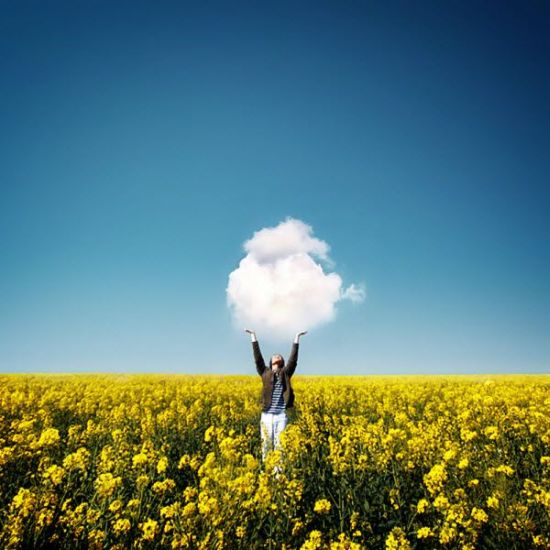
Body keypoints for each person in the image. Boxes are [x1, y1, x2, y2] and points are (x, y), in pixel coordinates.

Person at [245, 328, 307, 461]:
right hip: (266, 416)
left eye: (279, 356)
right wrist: (253, 336)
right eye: (275, 356)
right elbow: (257, 358)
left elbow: (293, 359)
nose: (277, 356)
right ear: (271, 362)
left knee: (280, 448)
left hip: (281, 416)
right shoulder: (264, 372)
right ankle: (267, 472)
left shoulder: (286, 373)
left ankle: (279, 473)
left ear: (282, 362)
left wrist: (297, 338)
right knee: (266, 447)